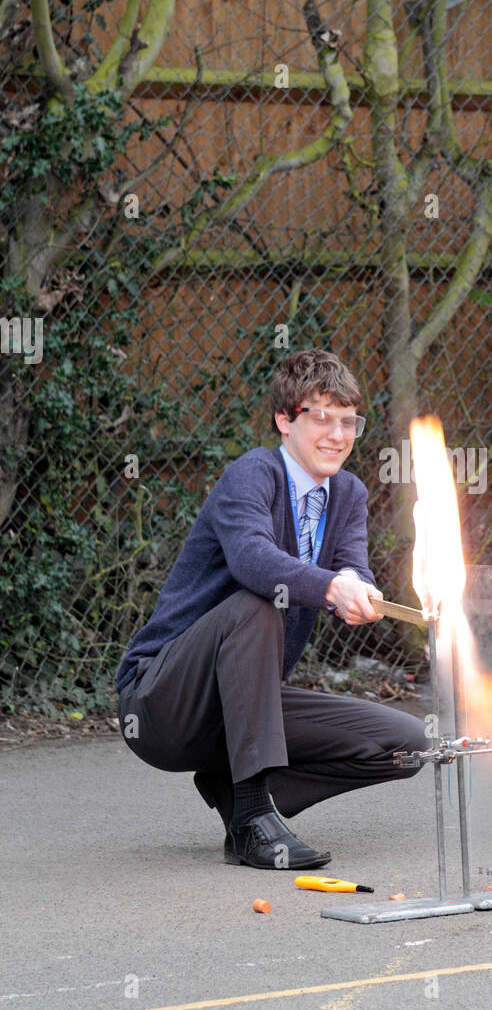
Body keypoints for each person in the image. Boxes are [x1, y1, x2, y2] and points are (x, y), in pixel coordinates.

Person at [115, 349, 426, 870]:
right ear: (285, 420)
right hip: (162, 703)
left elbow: (353, 565)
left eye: (349, 421)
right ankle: (255, 821)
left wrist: (355, 588)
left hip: (246, 707)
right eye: (320, 416)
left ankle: (236, 789)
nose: (337, 434)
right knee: (256, 604)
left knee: (408, 743)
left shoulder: (347, 493)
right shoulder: (253, 473)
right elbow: (254, 561)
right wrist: (332, 588)